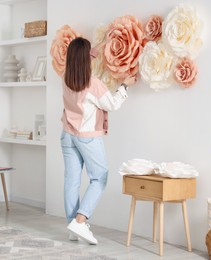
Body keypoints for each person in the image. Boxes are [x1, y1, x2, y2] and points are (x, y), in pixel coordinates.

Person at [61, 37, 135, 245]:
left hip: (67, 135)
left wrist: (92, 52)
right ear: (86, 59)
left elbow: (81, 59)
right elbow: (112, 104)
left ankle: (72, 225)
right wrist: (124, 86)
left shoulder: (67, 77)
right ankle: (80, 220)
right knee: (100, 178)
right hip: (86, 138)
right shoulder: (93, 84)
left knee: (71, 181)